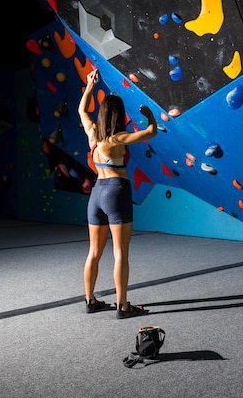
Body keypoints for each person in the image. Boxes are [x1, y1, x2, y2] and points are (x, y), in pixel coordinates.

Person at [78, 68, 158, 319]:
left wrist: (90, 85)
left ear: (102, 114)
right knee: (120, 251)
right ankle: (123, 306)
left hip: (96, 193)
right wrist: (150, 116)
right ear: (119, 115)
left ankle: (90, 300)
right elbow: (150, 132)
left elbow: (82, 111)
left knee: (94, 252)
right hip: (116, 191)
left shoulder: (93, 134)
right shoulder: (117, 138)